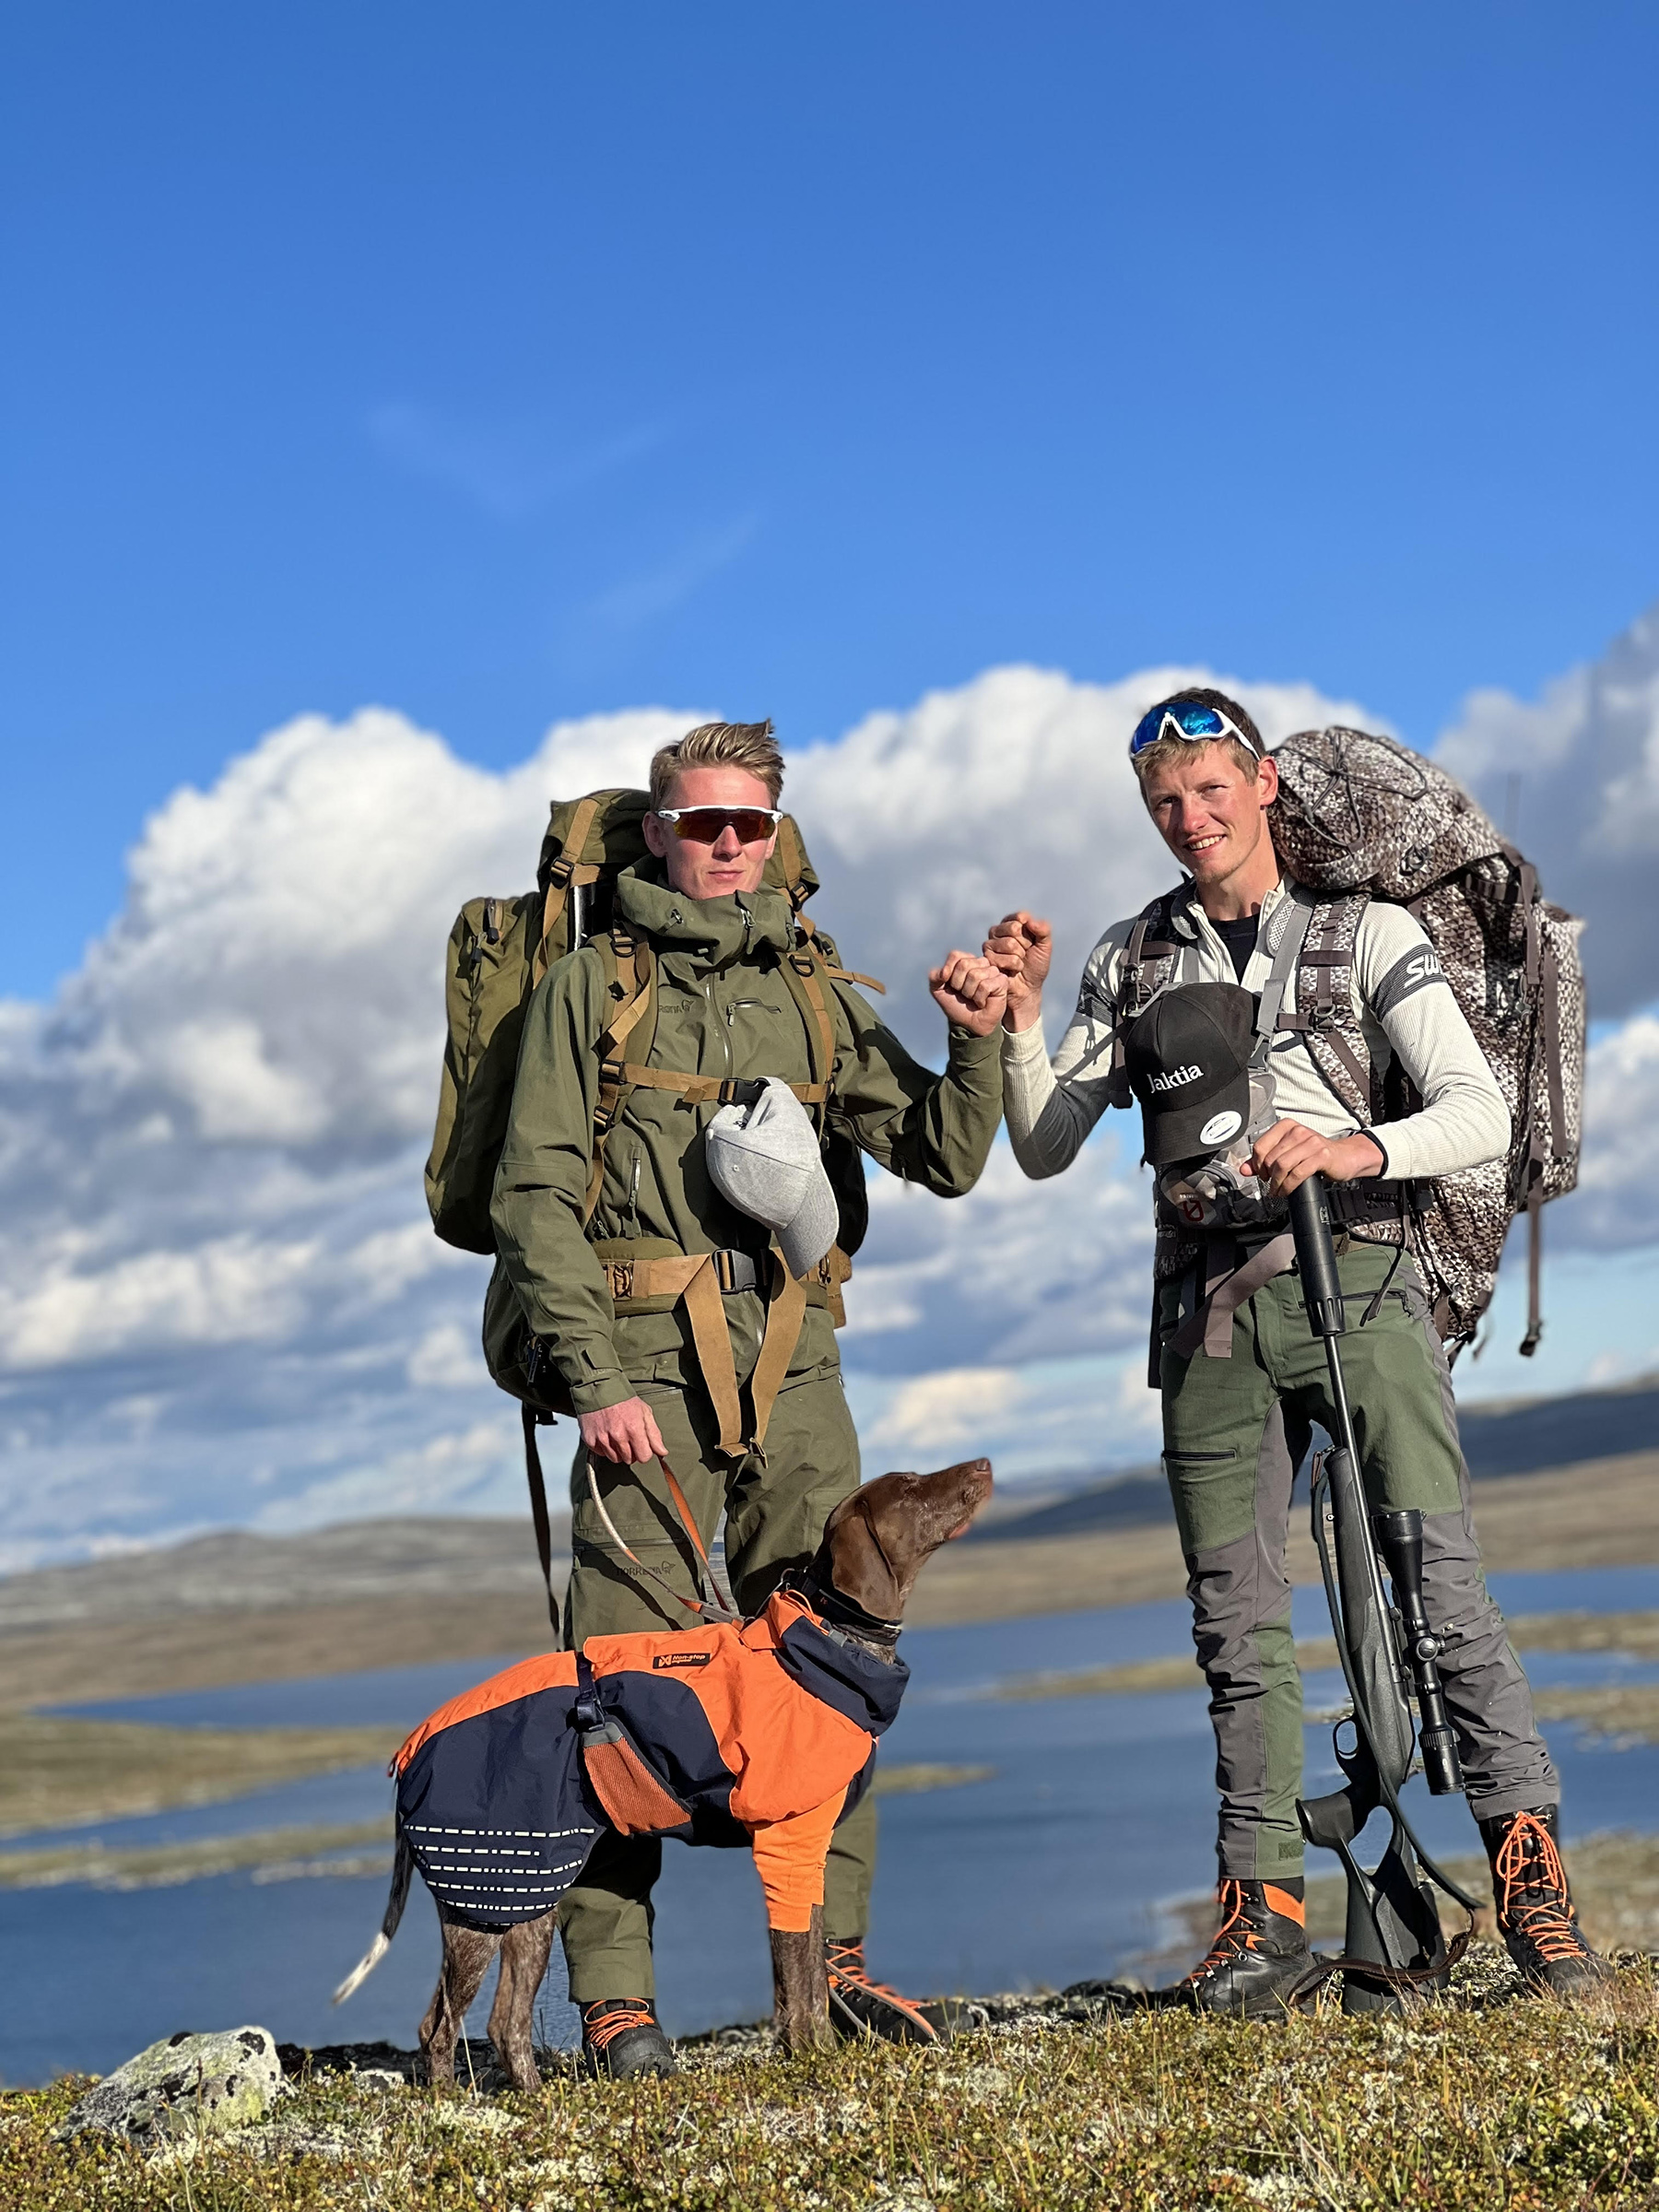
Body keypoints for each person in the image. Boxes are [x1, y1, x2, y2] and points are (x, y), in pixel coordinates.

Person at [984, 688, 1608, 2011]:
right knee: (1235, 1627)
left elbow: (1477, 1114)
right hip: (1206, 1310)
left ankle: (1532, 1886)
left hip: (1363, 1281)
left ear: (1263, 783)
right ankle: (1259, 1914)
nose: (1190, 819)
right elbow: (1042, 1143)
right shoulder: (1128, 959)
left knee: (1442, 1588)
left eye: (1212, 790)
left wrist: (1348, 1147)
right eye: (1165, 801)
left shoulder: (1366, 931)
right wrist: (1018, 1023)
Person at [493, 718, 1007, 2073]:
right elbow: (528, 1197)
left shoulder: (818, 992)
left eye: (751, 826)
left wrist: (979, 1043)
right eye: (703, 824)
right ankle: (616, 2006)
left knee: (834, 1672)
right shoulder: (589, 988)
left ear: (778, 835)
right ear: (655, 831)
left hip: (799, 1366)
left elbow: (947, 1160)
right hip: (640, 1378)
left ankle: (832, 1969)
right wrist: (594, 1379)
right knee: (621, 1691)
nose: (728, 848)